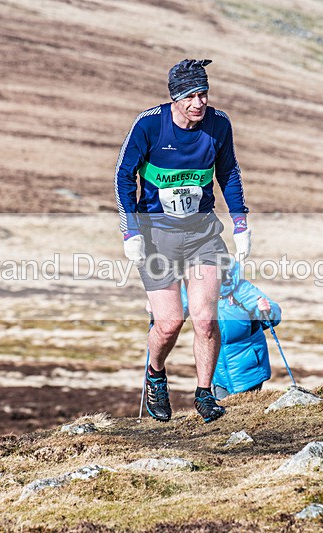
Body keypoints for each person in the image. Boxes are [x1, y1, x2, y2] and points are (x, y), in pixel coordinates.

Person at [114, 59, 251, 423]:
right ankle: (156, 375)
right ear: (175, 98)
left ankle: (205, 394)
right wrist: (130, 231)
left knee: (205, 319)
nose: (198, 103)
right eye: (190, 96)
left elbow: (229, 173)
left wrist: (240, 224)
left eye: (203, 94)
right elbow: (124, 177)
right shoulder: (149, 125)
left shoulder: (219, 125)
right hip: (157, 237)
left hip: (203, 234)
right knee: (170, 323)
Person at [181, 261, 281, 399]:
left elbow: (273, 316)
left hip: (249, 368)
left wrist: (268, 310)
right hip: (218, 371)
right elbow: (174, 312)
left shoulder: (242, 289)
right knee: (223, 412)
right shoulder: (192, 290)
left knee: (246, 412)